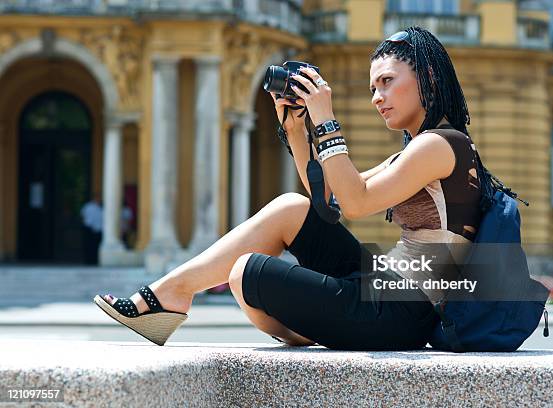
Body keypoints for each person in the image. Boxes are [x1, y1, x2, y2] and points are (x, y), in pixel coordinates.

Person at [94, 26, 482, 350]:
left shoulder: (441, 145)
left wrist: (326, 119)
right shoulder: (422, 146)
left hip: (404, 309)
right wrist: (297, 131)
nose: (377, 98)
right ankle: (173, 291)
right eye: (372, 88)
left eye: (386, 83)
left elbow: (356, 203)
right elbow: (330, 203)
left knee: (246, 274)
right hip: (384, 284)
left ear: (428, 78)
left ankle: (316, 328)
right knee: (291, 208)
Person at [81, 193, 103, 264]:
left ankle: (94, 260)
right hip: (89, 228)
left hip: (98, 230)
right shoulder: (88, 206)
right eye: (97, 198)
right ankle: (88, 260)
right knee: (89, 246)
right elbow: (83, 216)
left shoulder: (101, 208)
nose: (99, 200)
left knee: (96, 246)